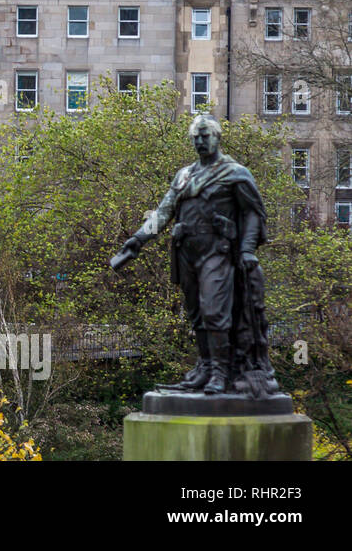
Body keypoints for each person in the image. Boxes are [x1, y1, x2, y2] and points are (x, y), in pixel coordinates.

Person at [112, 113, 277, 397]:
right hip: (186, 252)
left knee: (215, 311)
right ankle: (205, 367)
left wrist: (248, 250)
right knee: (197, 314)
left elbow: (253, 213)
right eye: (196, 138)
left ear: (217, 138)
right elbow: (164, 212)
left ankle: (220, 374)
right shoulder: (184, 175)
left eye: (205, 136)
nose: (200, 142)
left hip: (217, 252)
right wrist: (138, 239)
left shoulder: (235, 173)